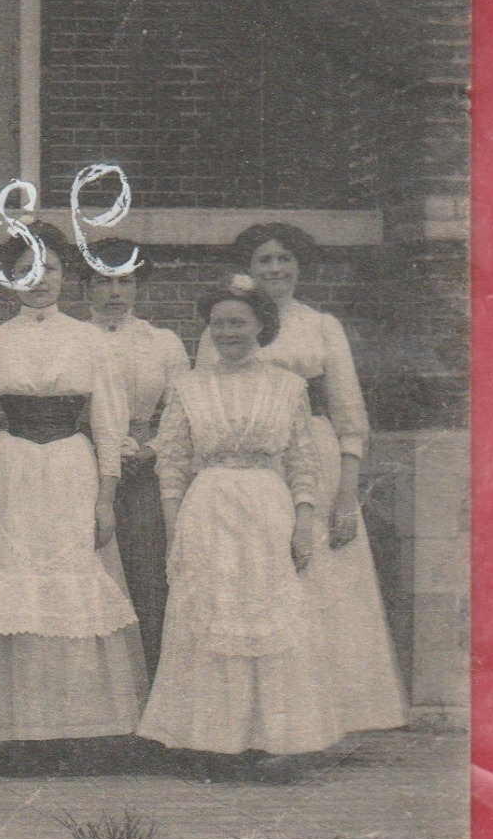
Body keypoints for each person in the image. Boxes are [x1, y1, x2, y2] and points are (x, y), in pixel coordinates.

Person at [197, 223, 406, 733]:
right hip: (254, 466)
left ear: (299, 267)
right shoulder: (226, 325)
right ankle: (262, 717)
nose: (275, 270)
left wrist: (346, 494)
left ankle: (331, 716)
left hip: (318, 455)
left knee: (323, 583)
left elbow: (350, 418)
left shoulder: (321, 326)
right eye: (264, 261)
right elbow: (207, 402)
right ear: (248, 269)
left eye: (284, 260)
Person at [139, 276, 342, 777]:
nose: (227, 332)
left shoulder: (288, 387)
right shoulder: (186, 387)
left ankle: (273, 738)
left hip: (267, 508)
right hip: (207, 509)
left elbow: (302, 462)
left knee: (267, 613)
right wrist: (173, 529)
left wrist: (303, 521)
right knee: (212, 610)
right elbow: (172, 464)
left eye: (238, 322)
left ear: (260, 327)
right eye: (219, 323)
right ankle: (210, 741)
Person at [0, 223, 145, 759]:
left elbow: (109, 426)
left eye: (51, 269)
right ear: (10, 280)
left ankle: (83, 730)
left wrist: (106, 498)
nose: (39, 280)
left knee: (72, 584)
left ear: (66, 275)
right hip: (9, 471)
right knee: (12, 584)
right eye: (25, 271)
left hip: (71, 472)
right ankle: (8, 733)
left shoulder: (88, 340)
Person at [82, 237, 190, 680]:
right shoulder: (73, 337)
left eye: (124, 281)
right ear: (86, 286)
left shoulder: (162, 343)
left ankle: (153, 687)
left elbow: (185, 417)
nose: (114, 293)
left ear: (137, 287)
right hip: (85, 470)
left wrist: (149, 450)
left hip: (145, 473)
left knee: (148, 578)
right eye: (103, 281)